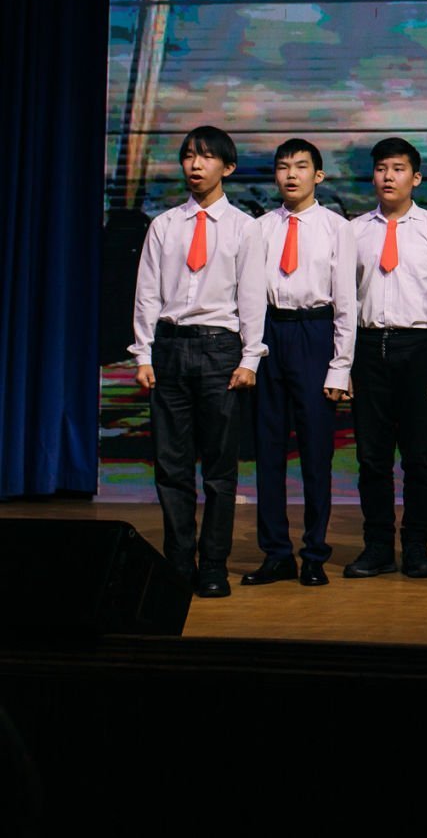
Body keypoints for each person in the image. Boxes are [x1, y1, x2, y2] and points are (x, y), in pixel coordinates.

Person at [130, 126, 267, 598]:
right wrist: (143, 353)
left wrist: (250, 357)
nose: (195, 164)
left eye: (206, 157)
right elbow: (147, 294)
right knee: (171, 466)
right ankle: (177, 563)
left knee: (219, 470)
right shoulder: (164, 225)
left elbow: (252, 298)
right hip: (170, 347)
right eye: (189, 155)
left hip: (219, 349)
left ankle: (212, 565)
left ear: (227, 167)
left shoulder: (244, 227)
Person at [345, 137, 427, 580]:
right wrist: (344, 363)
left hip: (420, 348)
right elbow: (345, 303)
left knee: (421, 456)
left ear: (416, 178)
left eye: (398, 169)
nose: (388, 177)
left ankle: (416, 545)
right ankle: (377, 546)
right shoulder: (354, 231)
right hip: (369, 347)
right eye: (381, 169)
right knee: (372, 457)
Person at [242, 138, 355, 589]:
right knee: (268, 449)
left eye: (301, 166)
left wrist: (341, 365)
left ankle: (314, 553)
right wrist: (250, 352)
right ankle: (276, 553)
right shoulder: (260, 228)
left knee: (315, 452)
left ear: (318, 176)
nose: (291, 175)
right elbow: (250, 295)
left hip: (315, 332)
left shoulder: (336, 227)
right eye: (283, 167)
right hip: (271, 332)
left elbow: (346, 301)